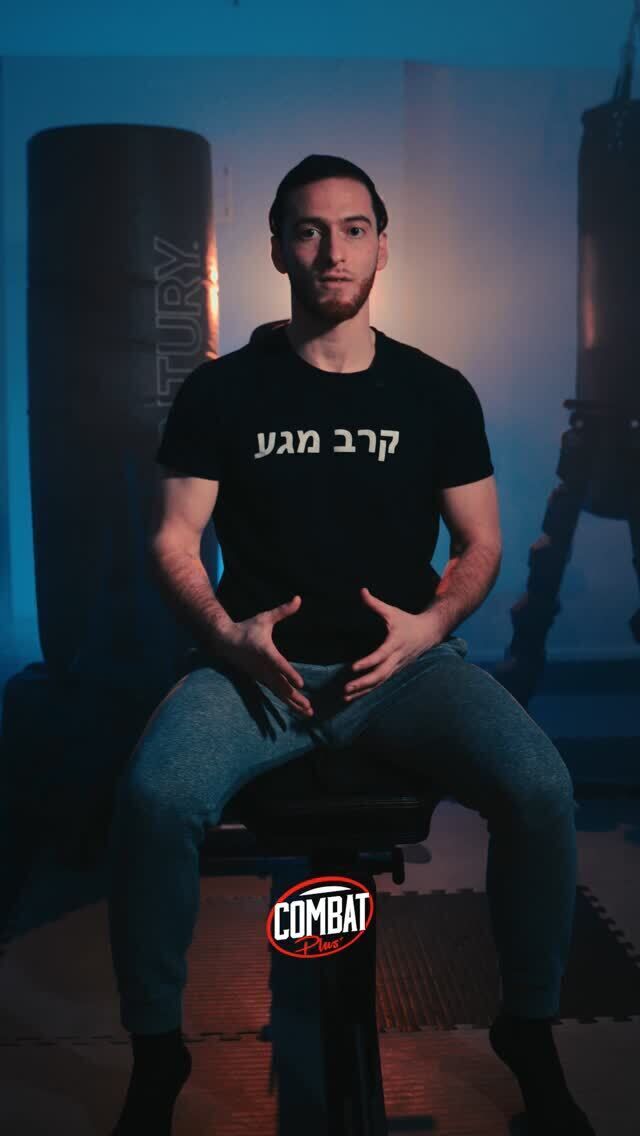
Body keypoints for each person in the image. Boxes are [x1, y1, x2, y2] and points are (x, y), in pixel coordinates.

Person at [107, 154, 596, 1135]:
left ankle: (528, 1025)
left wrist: (432, 625)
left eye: (353, 229)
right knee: (154, 799)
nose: (332, 250)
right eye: (309, 230)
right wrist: (226, 635)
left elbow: (480, 543)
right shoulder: (222, 391)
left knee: (542, 789)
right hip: (256, 673)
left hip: (405, 669)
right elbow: (172, 539)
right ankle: (157, 1050)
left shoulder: (434, 392)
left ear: (382, 246)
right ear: (278, 249)